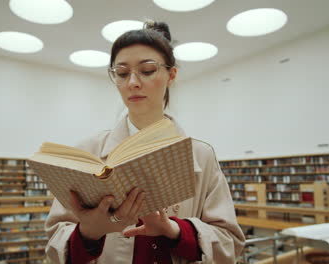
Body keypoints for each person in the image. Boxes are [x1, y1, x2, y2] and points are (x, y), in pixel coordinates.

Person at [45, 20, 245, 263]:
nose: (132, 83)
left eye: (147, 70)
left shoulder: (202, 154)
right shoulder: (86, 153)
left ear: (171, 74)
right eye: (121, 73)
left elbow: (231, 244)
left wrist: (173, 230)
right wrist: (89, 232)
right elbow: (54, 245)